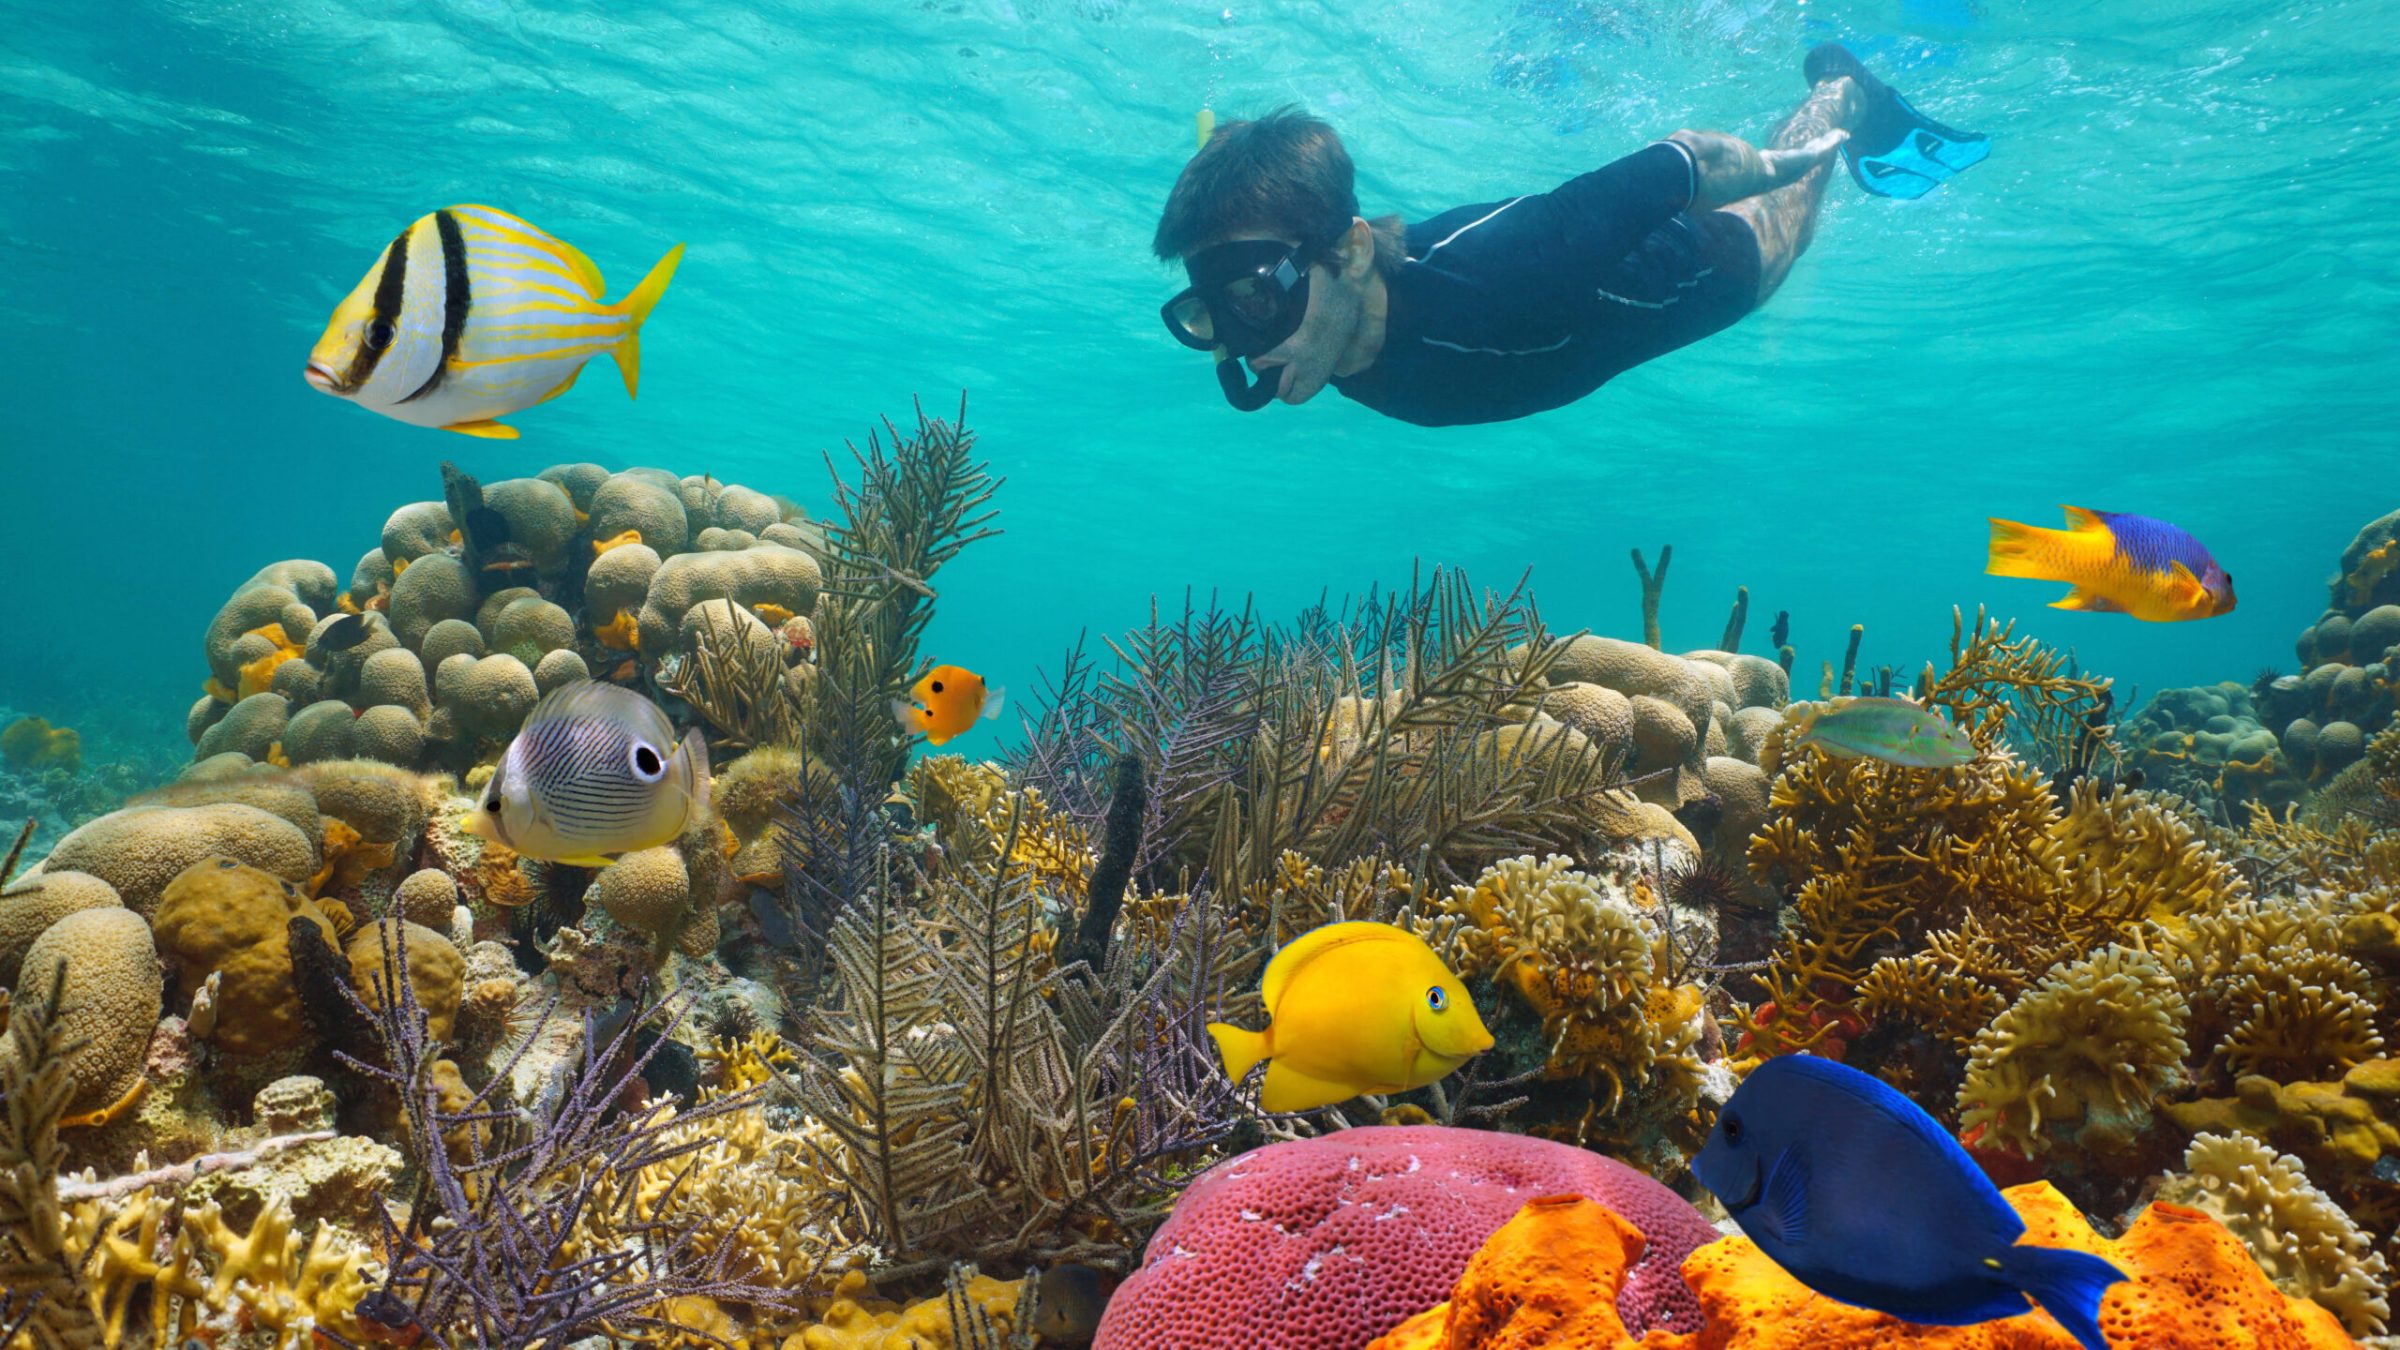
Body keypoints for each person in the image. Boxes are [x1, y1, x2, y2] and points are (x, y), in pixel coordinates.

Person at [1154, 44, 1987, 424]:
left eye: (1255, 299)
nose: (1235, 347)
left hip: (1701, 272)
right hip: (1577, 309)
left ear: (1353, 252)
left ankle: (1845, 91)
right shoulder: (1317, 337)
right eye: (1204, 317)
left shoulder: (1503, 266)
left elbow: (1684, 163)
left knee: (1789, 225)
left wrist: (1787, 163)